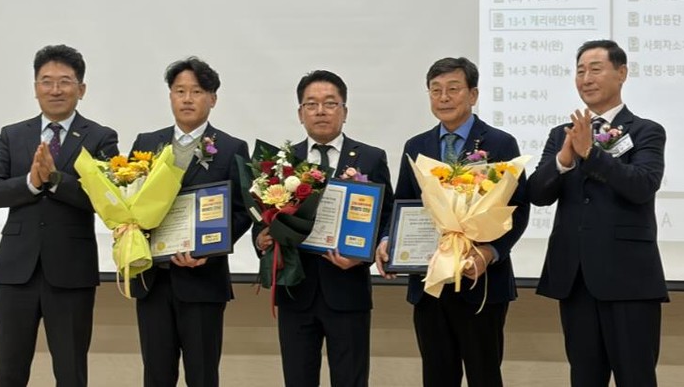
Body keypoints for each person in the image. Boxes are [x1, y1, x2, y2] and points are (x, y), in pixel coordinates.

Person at [375, 57, 529, 387]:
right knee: (436, 376)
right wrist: (388, 241)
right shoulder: (417, 146)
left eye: (453, 89)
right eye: (436, 90)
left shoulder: (500, 143)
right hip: (429, 282)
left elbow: (518, 210)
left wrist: (489, 253)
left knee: (484, 376)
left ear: (473, 94)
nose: (443, 97)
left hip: (481, 282)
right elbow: (403, 203)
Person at [527, 39, 667, 386]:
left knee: (636, 377)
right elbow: (537, 195)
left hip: (629, 279)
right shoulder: (562, 135)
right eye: (580, 71)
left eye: (595, 69)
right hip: (575, 278)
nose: (586, 78)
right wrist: (564, 160)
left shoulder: (646, 131)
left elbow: (642, 185)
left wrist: (591, 154)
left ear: (622, 73)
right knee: (584, 378)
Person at [0, 44, 119, 387]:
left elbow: (107, 199)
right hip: (16, 271)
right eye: (46, 81)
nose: (55, 89)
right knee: (9, 372)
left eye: (65, 81)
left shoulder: (101, 137)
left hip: (71, 272)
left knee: (71, 372)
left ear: (81, 89)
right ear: (35, 88)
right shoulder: (13, 134)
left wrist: (56, 179)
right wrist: (31, 182)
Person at [255, 70, 394, 387]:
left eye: (330, 103)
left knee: (351, 380)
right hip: (295, 291)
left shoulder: (370, 158)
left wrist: (363, 256)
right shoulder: (281, 162)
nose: (321, 111)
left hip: (347, 289)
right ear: (300, 113)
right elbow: (262, 216)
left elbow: (386, 216)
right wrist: (261, 239)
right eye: (311, 104)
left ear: (344, 110)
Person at [129, 57, 252, 387]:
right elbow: (130, 202)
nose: (187, 99)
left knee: (202, 375)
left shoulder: (231, 147)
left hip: (203, 281)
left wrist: (208, 250)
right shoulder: (146, 144)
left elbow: (243, 210)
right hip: (153, 281)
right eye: (179, 91)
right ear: (170, 95)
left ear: (212, 98)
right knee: (156, 375)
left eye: (196, 91)